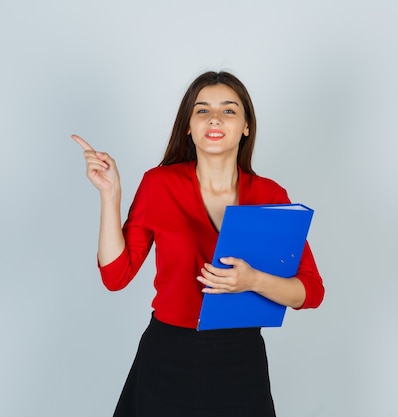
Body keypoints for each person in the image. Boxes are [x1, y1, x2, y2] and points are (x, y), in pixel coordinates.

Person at [72, 71, 324, 417]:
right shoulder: (159, 184)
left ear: (246, 126)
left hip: (240, 360)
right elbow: (116, 276)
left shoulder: (271, 196)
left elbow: (311, 292)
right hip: (166, 357)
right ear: (188, 126)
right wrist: (110, 195)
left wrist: (253, 281)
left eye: (229, 110)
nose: (215, 118)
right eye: (202, 110)